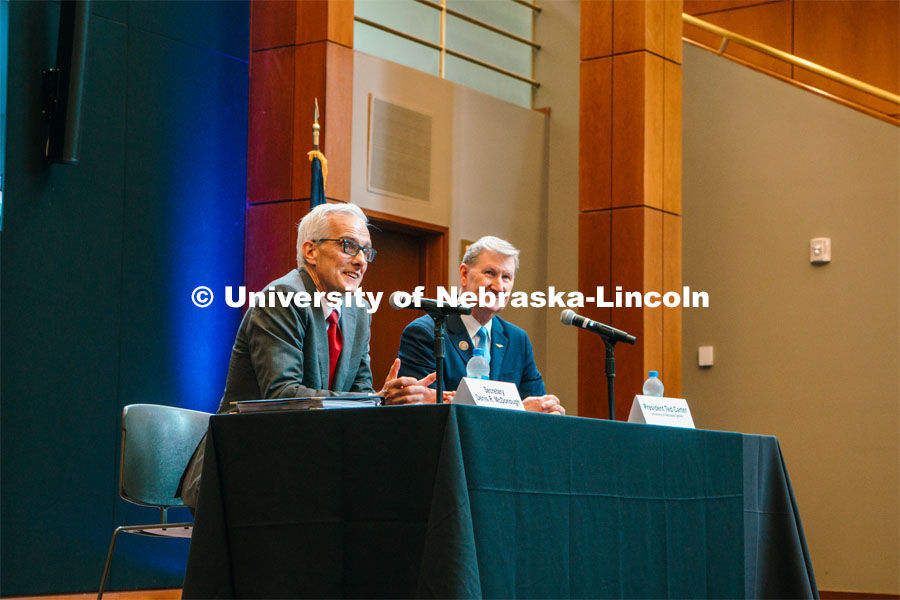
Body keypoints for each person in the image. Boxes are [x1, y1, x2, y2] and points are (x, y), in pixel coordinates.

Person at [178, 202, 435, 510]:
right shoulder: (281, 299)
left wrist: (385, 399)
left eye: (367, 252)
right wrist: (374, 399)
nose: (360, 261)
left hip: (312, 459)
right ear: (311, 251)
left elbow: (360, 396)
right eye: (348, 246)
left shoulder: (357, 312)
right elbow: (283, 396)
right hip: (246, 463)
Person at [397, 236, 565, 415]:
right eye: (490, 273)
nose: (499, 286)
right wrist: (520, 409)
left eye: (506, 277)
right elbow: (430, 413)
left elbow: (537, 407)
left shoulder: (517, 339)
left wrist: (548, 412)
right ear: (464, 274)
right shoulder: (426, 333)